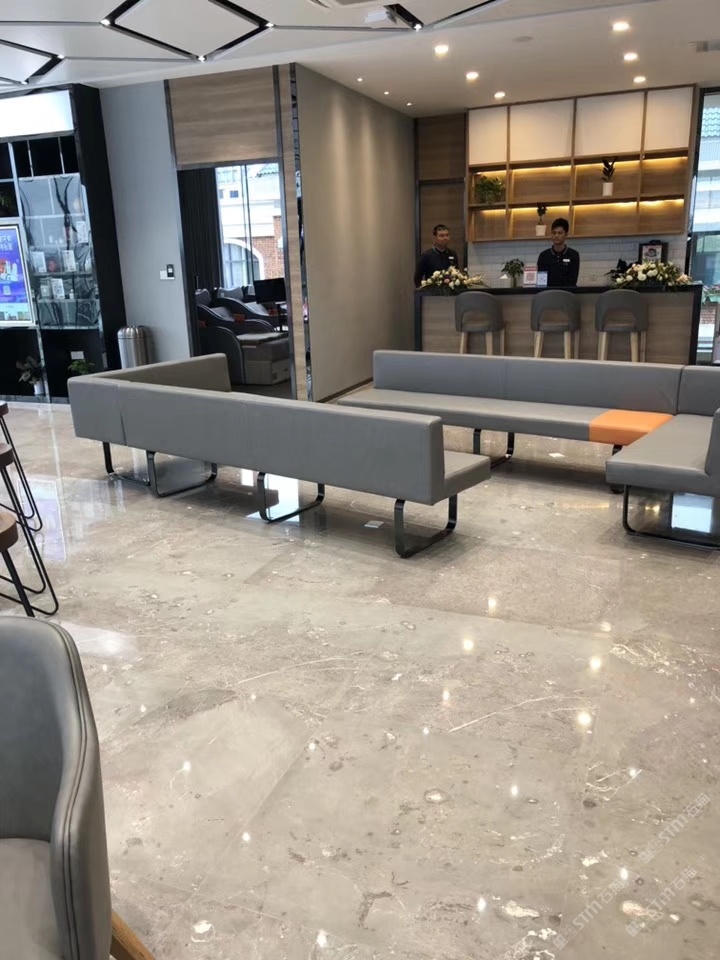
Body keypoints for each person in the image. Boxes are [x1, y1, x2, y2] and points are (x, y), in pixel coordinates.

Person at [537, 218, 580, 287]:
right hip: (547, 292)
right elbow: (541, 281)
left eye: (560, 233)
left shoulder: (573, 255)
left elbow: (572, 280)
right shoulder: (543, 255)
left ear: (566, 234)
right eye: (554, 233)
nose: (556, 236)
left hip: (567, 292)